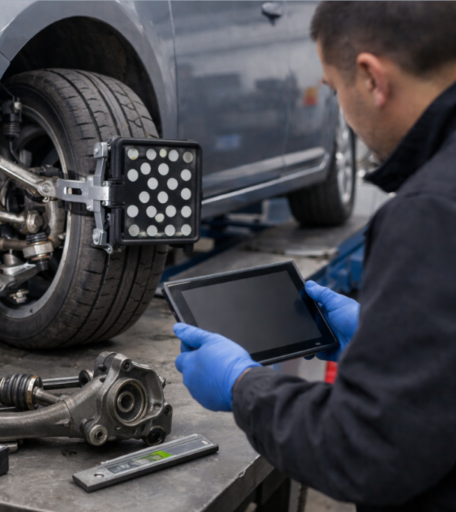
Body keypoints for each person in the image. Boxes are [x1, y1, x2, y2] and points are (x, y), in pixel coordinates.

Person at [174, 2, 456, 511]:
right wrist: (387, 337)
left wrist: (242, 385)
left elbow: (366, 451)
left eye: (333, 90)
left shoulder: (430, 211)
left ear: (371, 78)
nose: (341, 114)